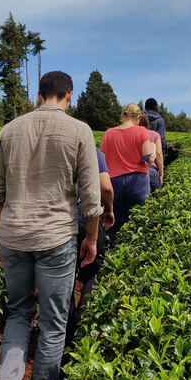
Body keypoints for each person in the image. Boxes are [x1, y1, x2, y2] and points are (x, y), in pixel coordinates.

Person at [0, 71, 102, 380]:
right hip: (56, 236)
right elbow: (91, 199)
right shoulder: (80, 130)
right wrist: (92, 239)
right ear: (69, 95)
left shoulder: (8, 131)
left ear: (39, 96)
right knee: (54, 324)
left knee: (19, 313)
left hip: (13, 236)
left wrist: (0, 242)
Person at [64, 148, 114, 348]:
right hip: (87, 223)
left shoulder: (50, 150)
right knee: (94, 273)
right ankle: (82, 328)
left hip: (58, 225)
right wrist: (108, 210)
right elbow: (106, 188)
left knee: (63, 278)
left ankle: (64, 334)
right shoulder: (94, 152)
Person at [100, 103, 155, 247]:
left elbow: (102, 161)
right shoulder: (142, 131)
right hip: (138, 181)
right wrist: (154, 149)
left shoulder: (108, 133)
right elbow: (148, 158)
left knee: (115, 222)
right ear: (137, 117)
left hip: (114, 182)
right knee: (139, 222)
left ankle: (116, 255)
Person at [139, 111, 164, 192]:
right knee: (158, 194)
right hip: (151, 169)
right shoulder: (155, 135)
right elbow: (159, 154)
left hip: (135, 171)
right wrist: (161, 174)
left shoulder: (132, 134)